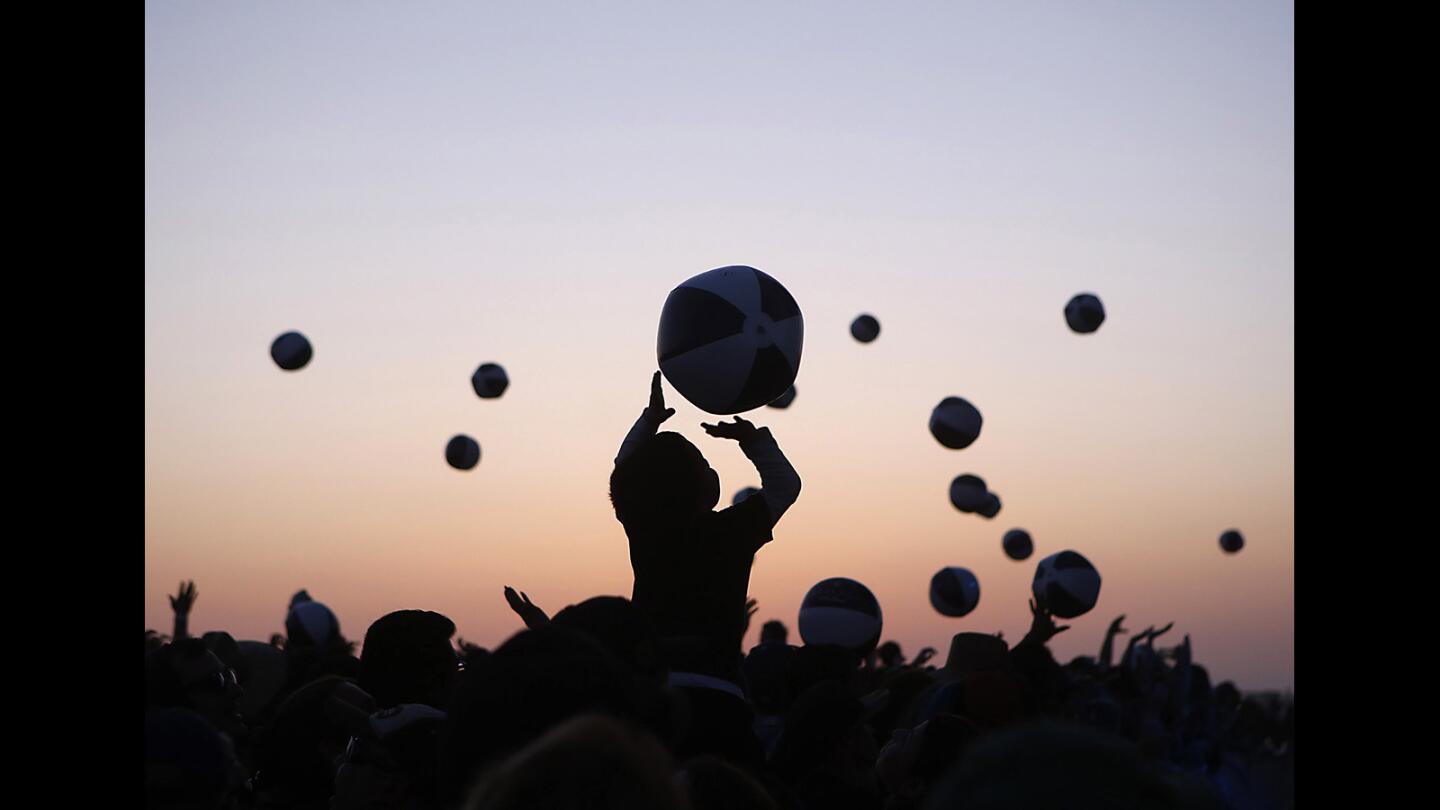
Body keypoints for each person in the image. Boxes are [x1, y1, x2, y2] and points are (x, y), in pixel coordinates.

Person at [609, 371, 801, 684]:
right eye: (703, 463)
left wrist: (650, 420)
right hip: (718, 687)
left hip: (654, 682)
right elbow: (785, 485)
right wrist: (752, 441)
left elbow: (626, 475)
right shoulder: (731, 531)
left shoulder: (646, 528)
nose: (712, 470)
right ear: (696, 487)